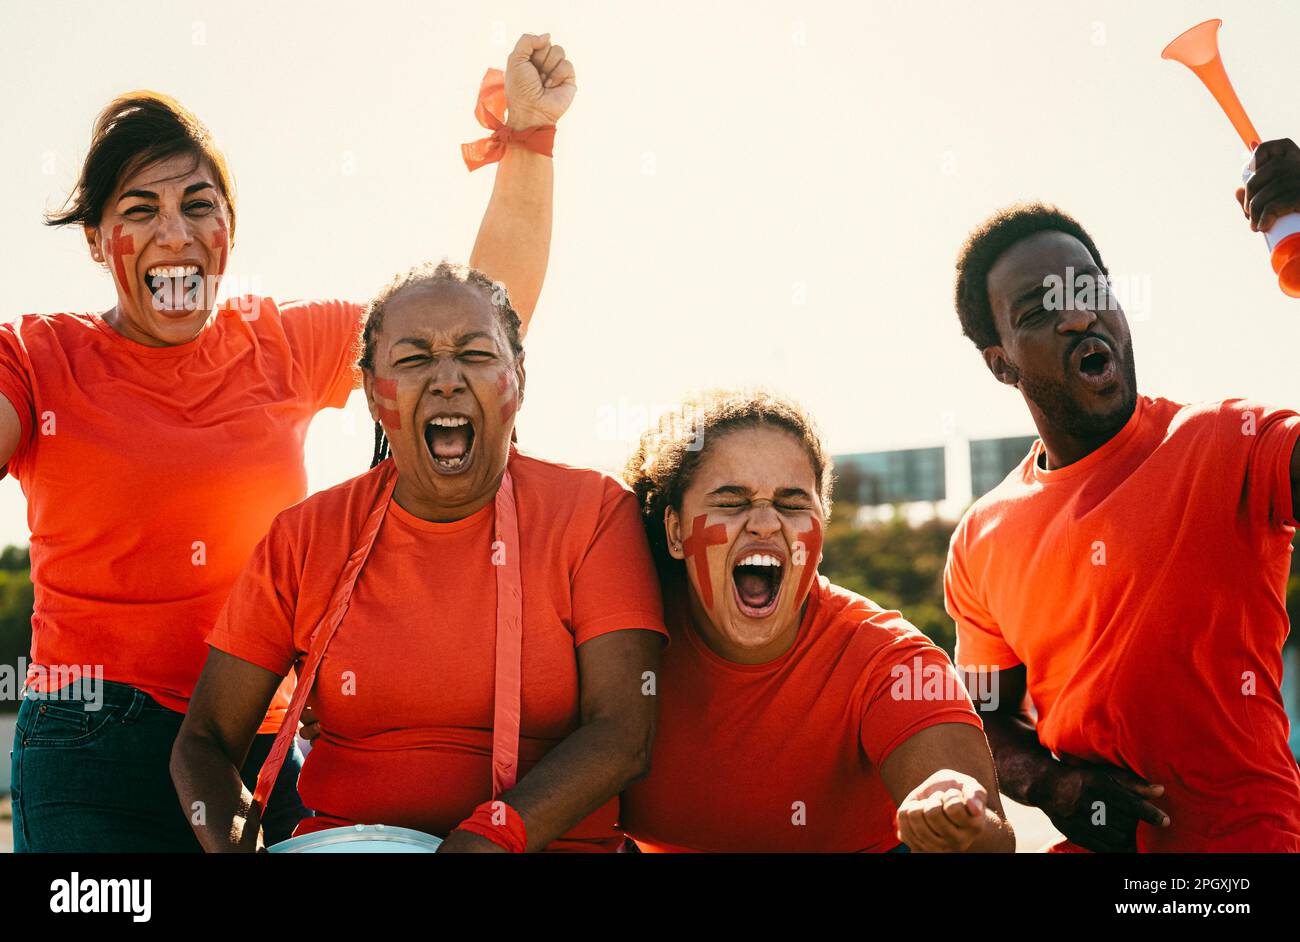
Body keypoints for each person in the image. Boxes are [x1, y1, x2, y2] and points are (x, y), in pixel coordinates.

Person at [4, 33, 576, 852]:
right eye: (140, 210)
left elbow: (481, 313)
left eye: (199, 205)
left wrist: (530, 139)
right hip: (97, 741)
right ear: (97, 241)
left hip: (258, 748)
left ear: (228, 227)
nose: (176, 232)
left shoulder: (282, 343)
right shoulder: (35, 356)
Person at [172, 262, 666, 853]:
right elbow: (203, 740)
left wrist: (485, 841)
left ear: (519, 379)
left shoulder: (593, 514)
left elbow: (623, 733)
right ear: (372, 391)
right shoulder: (305, 536)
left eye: (476, 354)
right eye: (412, 360)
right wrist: (234, 847)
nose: (446, 379)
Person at [946, 137, 1300, 852]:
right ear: (1000, 364)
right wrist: (1053, 786)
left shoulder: (1232, 442)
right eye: (1040, 310)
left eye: (1089, 289)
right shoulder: (980, 541)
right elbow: (982, 717)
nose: (1079, 316)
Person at [618, 389, 1015, 852]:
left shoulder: (890, 660)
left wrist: (957, 821)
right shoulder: (622, 646)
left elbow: (994, 842)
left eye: (791, 503)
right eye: (730, 501)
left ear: (820, 532)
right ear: (674, 531)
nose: (765, 523)